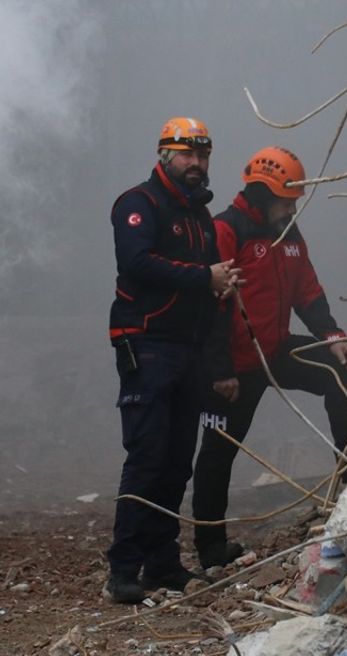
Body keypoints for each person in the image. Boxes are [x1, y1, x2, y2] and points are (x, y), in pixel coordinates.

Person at [191, 146, 347, 570]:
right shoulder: (224, 230)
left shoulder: (287, 231)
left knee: (340, 371)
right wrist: (219, 370)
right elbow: (205, 309)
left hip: (275, 348)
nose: (294, 206)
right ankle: (211, 549)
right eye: (288, 198)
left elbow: (308, 289)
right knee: (218, 454)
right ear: (263, 194)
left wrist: (333, 335)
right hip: (233, 364)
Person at [106, 117, 240, 603]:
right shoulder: (138, 204)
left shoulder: (199, 214)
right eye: (187, 154)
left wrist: (218, 286)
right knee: (147, 456)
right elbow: (136, 263)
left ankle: (162, 563)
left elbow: (204, 283)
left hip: (188, 349)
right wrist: (205, 276)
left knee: (178, 460)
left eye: (203, 155)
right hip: (146, 343)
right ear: (165, 154)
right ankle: (123, 570)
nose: (196, 164)